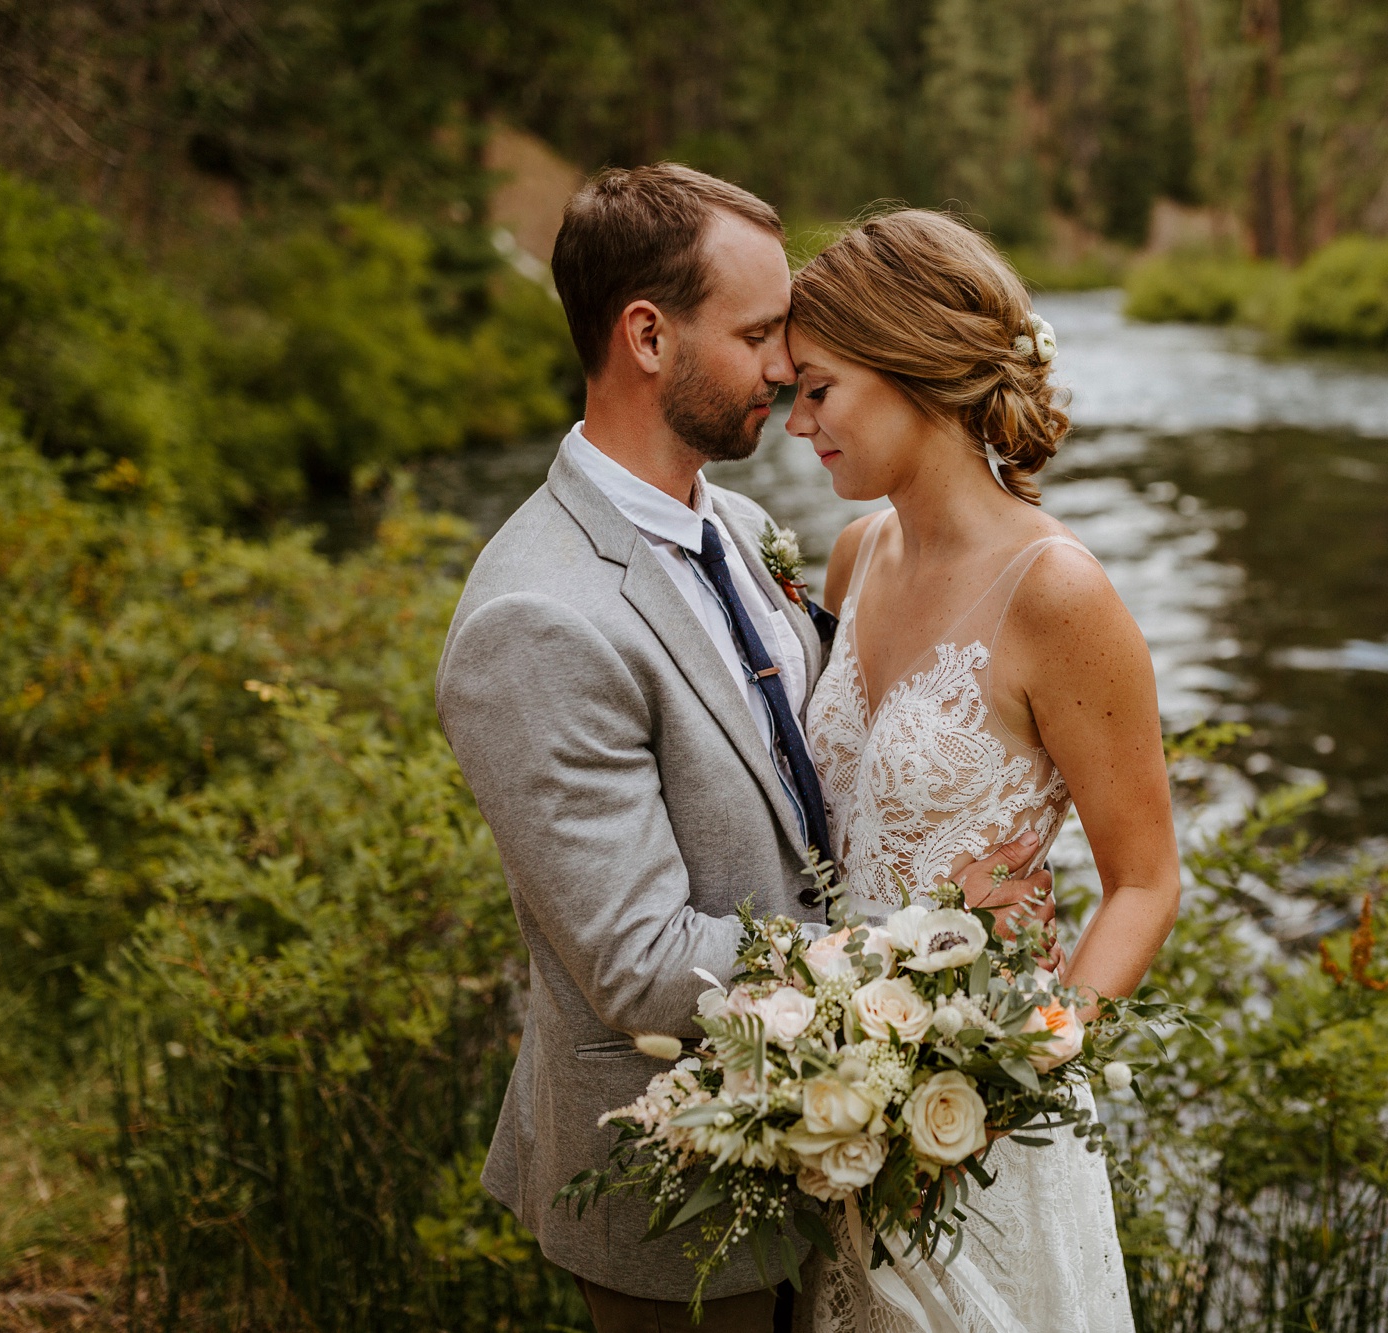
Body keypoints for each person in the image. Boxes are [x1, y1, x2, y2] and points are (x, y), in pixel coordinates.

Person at [434, 167, 1053, 1333]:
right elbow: (643, 964)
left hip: (837, 1164)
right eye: (759, 330)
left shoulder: (738, 526)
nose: (785, 365)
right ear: (648, 335)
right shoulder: (536, 620)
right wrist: (927, 948)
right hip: (678, 1201)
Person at [786, 210, 1182, 1332]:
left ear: (911, 366)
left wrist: (1002, 1085)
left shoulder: (1056, 594)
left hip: (979, 1132)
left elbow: (1145, 882)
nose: (796, 423)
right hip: (832, 1111)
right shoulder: (858, 552)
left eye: (819, 390)